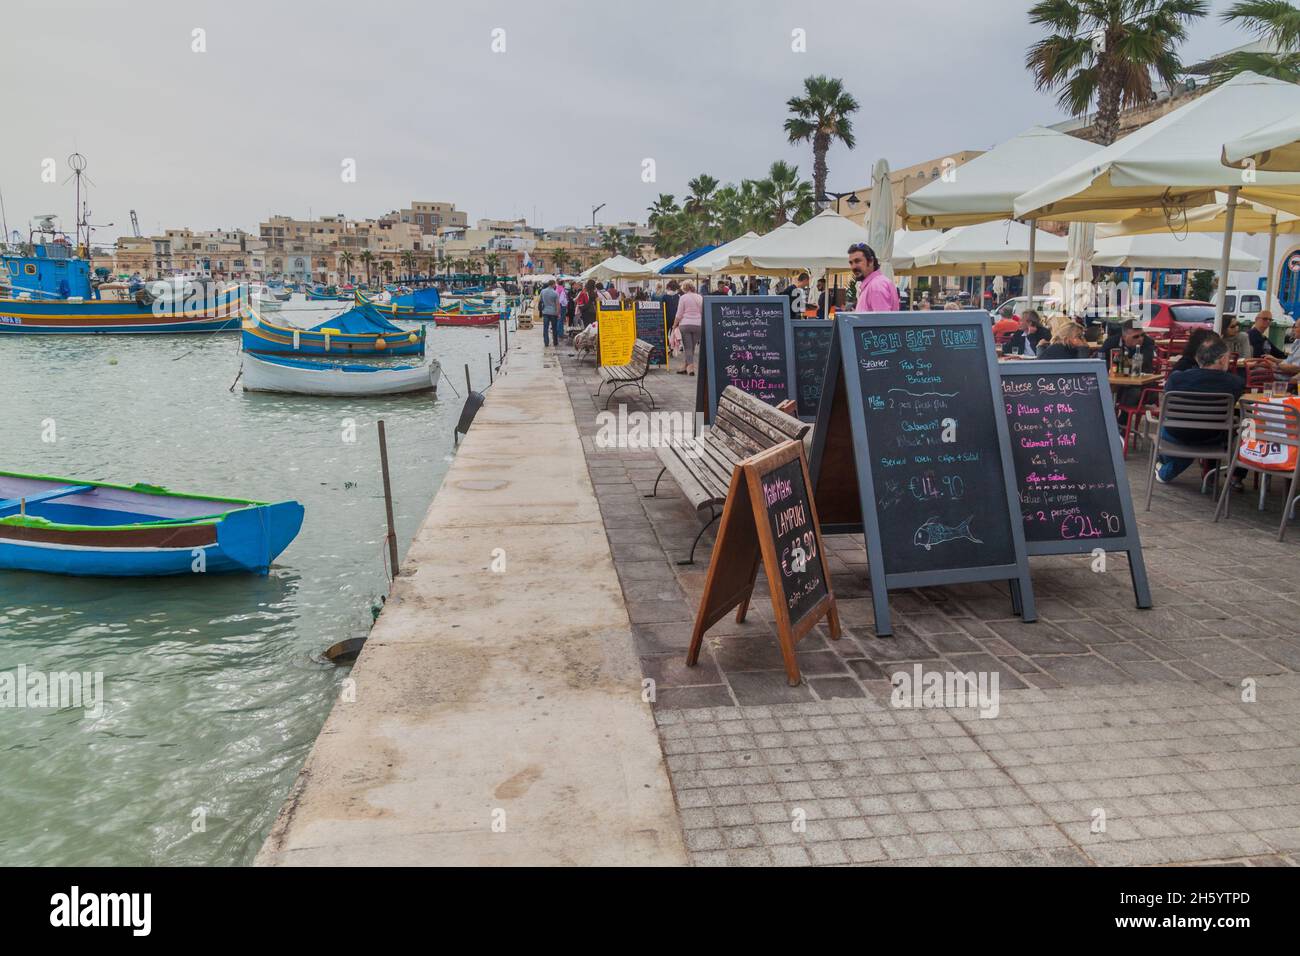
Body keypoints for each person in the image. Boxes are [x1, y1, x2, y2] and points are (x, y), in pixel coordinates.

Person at [1154, 339, 1245, 485]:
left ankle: (1163, 467)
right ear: (1222, 360)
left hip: (1175, 433)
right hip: (1212, 438)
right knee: (1233, 427)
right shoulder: (1235, 383)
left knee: (1170, 424)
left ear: (1197, 358)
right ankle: (1212, 477)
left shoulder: (1176, 378)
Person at [848, 243, 900, 311]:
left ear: (871, 261)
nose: (853, 267)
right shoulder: (875, 283)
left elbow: (882, 320)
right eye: (851, 263)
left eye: (857, 261)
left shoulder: (876, 286)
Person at [673, 281, 704, 375]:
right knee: (691, 347)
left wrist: (674, 325)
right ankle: (684, 367)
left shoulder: (683, 298)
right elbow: (703, 312)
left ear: (685, 288)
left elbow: (679, 314)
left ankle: (690, 367)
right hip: (698, 325)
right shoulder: (700, 297)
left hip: (685, 324)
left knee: (687, 347)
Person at [539, 280, 562, 347]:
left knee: (545, 328)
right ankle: (555, 342)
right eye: (555, 284)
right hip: (553, 313)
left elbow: (541, 301)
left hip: (545, 312)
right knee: (554, 328)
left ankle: (546, 342)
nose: (555, 286)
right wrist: (558, 313)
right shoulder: (555, 293)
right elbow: (558, 305)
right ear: (553, 284)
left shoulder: (542, 291)